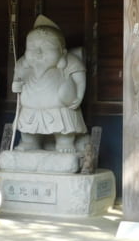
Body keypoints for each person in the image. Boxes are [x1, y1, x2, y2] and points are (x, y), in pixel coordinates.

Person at [11, 16, 87, 152]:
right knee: (29, 128)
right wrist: (16, 85)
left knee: (63, 126)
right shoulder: (23, 63)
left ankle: (65, 143)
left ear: (62, 52)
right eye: (32, 47)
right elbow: (18, 78)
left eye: (46, 47)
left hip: (60, 106)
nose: (38, 52)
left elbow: (79, 78)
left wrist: (79, 96)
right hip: (30, 106)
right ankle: (29, 142)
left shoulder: (70, 61)